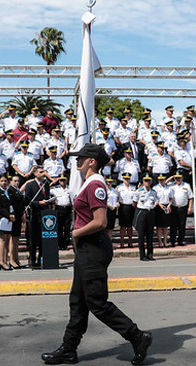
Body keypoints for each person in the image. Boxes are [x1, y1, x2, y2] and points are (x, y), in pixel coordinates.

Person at [41, 143, 152, 366]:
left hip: (93, 247)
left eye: (81, 158)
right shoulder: (89, 183)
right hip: (87, 247)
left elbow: (100, 221)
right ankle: (69, 349)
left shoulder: (95, 184)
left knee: (97, 303)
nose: (76, 161)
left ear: (92, 162)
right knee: (78, 301)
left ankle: (137, 337)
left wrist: (75, 233)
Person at [133, 174, 157, 261]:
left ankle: (150, 254)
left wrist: (153, 206)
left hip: (150, 212)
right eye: (145, 180)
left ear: (151, 181)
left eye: (148, 180)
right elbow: (134, 203)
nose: (147, 182)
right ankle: (142, 255)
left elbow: (155, 201)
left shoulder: (153, 192)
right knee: (141, 235)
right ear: (143, 181)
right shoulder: (139, 191)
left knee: (150, 235)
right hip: (142, 212)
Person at [169, 173, 193, 247]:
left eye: (179, 178)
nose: (178, 179)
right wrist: (171, 178)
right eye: (176, 178)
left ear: (182, 178)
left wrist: (190, 207)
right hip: (174, 208)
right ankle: (172, 241)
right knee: (173, 226)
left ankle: (180, 241)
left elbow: (190, 198)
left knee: (182, 226)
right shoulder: (171, 185)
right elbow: (164, 183)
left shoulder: (186, 185)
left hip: (183, 208)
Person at [50, 176, 73, 250]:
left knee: (67, 227)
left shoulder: (70, 188)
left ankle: (65, 244)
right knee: (59, 227)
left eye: (64, 180)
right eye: (61, 180)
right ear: (59, 181)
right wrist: (53, 182)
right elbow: (46, 189)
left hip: (67, 208)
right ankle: (60, 243)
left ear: (66, 181)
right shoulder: (55, 189)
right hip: (59, 208)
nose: (62, 182)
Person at [8, 175, 25, 269]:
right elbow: (10, 204)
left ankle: (16, 258)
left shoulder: (17, 190)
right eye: (15, 181)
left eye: (18, 181)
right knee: (12, 239)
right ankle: (11, 260)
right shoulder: (10, 190)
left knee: (16, 239)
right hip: (13, 216)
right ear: (11, 181)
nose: (17, 183)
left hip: (18, 216)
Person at [116, 173, 136, 249]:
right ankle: (122, 242)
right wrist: (117, 202)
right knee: (123, 226)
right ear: (122, 179)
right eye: (125, 179)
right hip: (123, 207)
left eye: (128, 179)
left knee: (130, 226)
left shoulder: (133, 187)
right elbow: (116, 197)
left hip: (131, 207)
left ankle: (130, 242)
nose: (127, 180)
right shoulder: (119, 188)